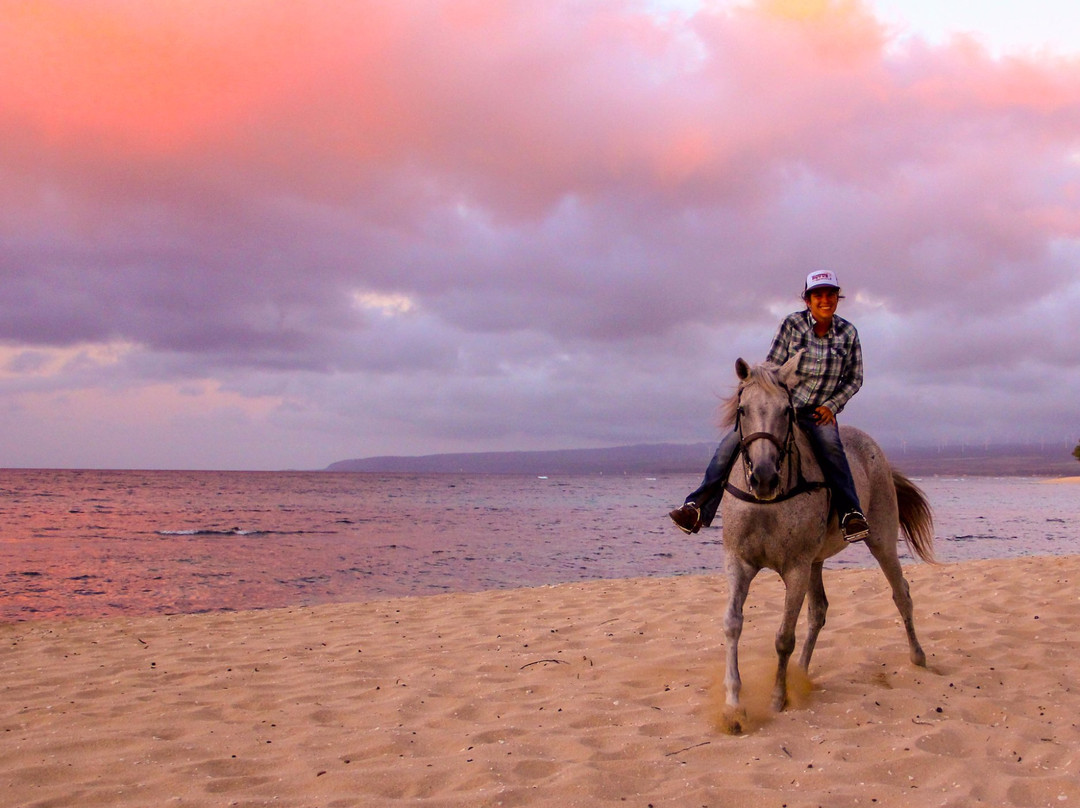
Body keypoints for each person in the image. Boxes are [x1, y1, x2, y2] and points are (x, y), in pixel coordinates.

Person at [669, 269, 871, 542]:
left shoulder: (848, 333)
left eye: (830, 295)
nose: (825, 300)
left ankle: (850, 514)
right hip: (781, 409)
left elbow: (854, 378)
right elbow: (771, 369)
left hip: (818, 413)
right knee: (731, 444)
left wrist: (832, 406)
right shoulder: (791, 326)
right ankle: (697, 507)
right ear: (808, 300)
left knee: (832, 449)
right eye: (818, 295)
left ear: (837, 298)